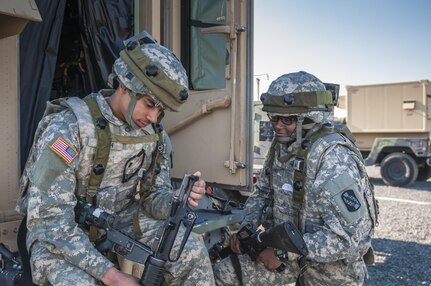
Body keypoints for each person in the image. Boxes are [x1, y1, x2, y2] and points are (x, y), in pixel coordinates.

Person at [16, 33, 215, 286]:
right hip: (59, 236)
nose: (154, 117)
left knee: (192, 252)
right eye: (150, 103)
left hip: (117, 225)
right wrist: (111, 275)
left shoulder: (155, 136)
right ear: (124, 85)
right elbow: (49, 220)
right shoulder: (69, 128)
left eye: (161, 110)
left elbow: (152, 197)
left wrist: (178, 201)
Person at [213, 71, 378, 286]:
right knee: (224, 274)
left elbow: (348, 238)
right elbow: (263, 193)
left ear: (310, 119)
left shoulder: (334, 158)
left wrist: (282, 253)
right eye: (274, 117)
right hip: (291, 257)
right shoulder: (282, 145)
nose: (277, 125)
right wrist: (246, 228)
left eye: (287, 119)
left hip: (330, 270)